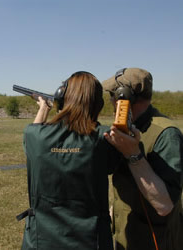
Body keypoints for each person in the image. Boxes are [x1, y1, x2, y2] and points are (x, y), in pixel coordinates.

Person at [17, 71, 122, 250]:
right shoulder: (105, 138)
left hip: (40, 240)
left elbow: (33, 136)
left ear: (61, 98)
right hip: (91, 239)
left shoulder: (34, 135)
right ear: (99, 104)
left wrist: (43, 108)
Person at [102, 67, 183, 250]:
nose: (111, 101)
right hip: (127, 235)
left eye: (113, 95)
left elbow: (164, 205)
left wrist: (134, 155)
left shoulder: (166, 134)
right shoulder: (126, 128)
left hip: (156, 240)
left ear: (125, 97)